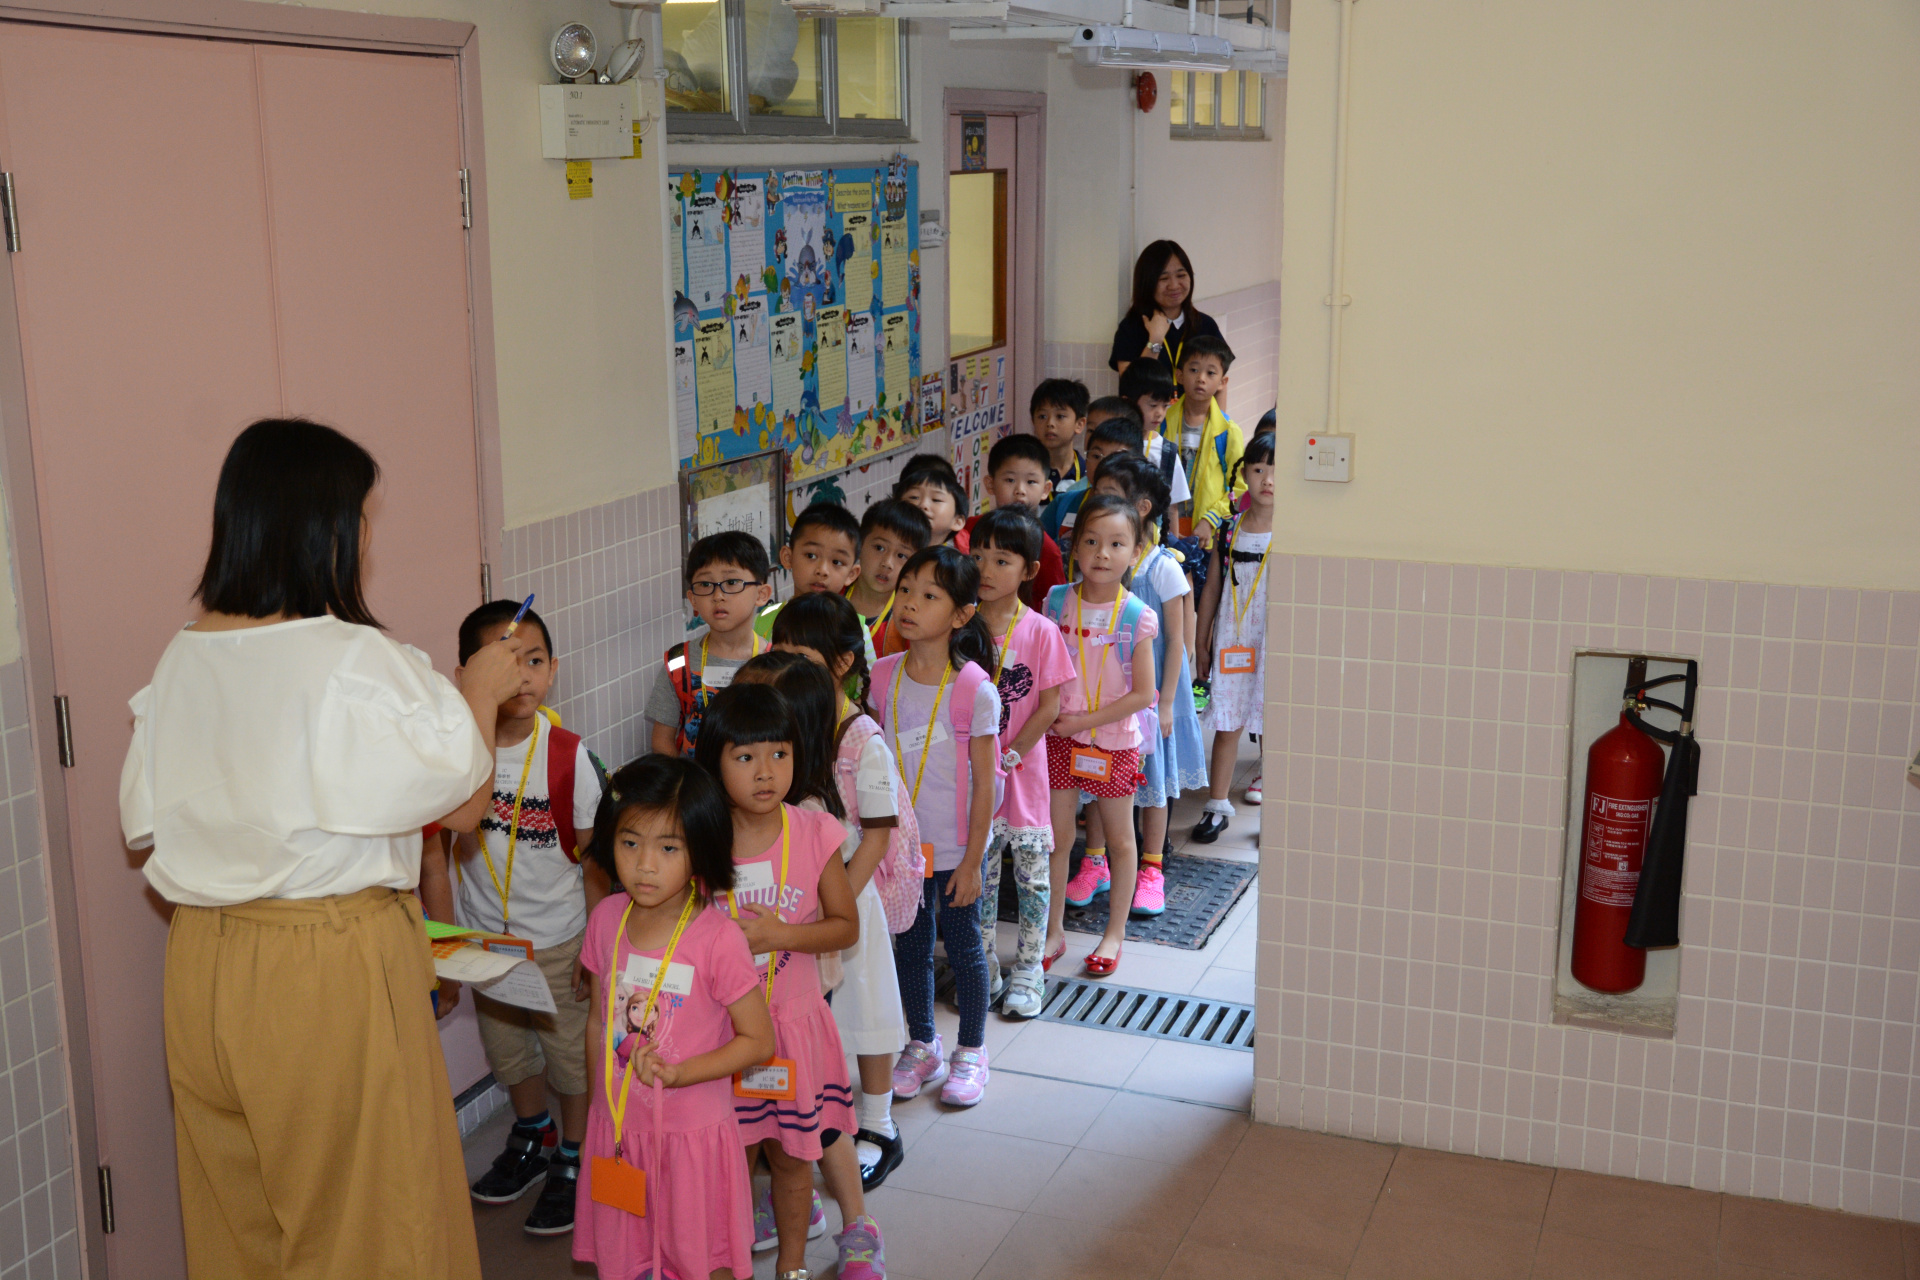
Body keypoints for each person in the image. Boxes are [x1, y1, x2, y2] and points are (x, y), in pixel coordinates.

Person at [121, 417, 522, 1277]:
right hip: (326, 965)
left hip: (203, 965)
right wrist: (481, 694)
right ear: (325, 529)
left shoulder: (182, 658)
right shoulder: (353, 658)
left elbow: (146, 819)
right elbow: (461, 807)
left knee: (239, 1227)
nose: (366, 538)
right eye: (361, 518)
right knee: (371, 1229)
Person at [431, 600, 609, 1235]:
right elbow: (435, 860)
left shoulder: (568, 755)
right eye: (505, 663)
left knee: (569, 1058)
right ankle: (533, 1134)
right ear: (467, 676)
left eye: (534, 661)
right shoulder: (453, 757)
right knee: (509, 1054)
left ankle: (575, 1151)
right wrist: (447, 954)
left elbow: (595, 865)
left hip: (560, 942)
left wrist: (597, 953)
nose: (522, 676)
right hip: (486, 943)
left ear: (553, 669)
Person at [693, 687, 879, 1280]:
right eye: (745, 757)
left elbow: (845, 926)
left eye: (779, 754)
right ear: (714, 761)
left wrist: (780, 935)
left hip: (794, 1030)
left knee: (796, 1160)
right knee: (729, 1164)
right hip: (721, 1034)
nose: (765, 772)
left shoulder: (814, 831)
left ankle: (792, 1268)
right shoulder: (699, 838)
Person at [573, 756, 774, 1280]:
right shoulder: (605, 920)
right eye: (629, 842)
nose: (645, 865)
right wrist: (598, 1110)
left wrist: (682, 1073)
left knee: (702, 1259)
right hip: (620, 1129)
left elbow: (759, 1041)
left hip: (691, 1139)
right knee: (626, 1257)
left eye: (668, 848)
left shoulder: (718, 939)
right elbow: (597, 1023)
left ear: (700, 850)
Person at [768, 594, 923, 1189]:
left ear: (840, 663)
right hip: (803, 902)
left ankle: (878, 1123)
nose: (787, 668)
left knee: (868, 1004)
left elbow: (879, 834)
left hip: (851, 896)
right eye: (780, 654)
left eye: (801, 657)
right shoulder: (789, 726)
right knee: (819, 1014)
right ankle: (813, 1118)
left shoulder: (863, 740)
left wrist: (837, 904)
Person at [875, 548, 1003, 1107]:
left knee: (965, 947)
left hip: (955, 847)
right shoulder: (883, 677)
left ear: (961, 614)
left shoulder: (974, 689)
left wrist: (973, 860)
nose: (909, 604)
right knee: (910, 945)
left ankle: (971, 1051)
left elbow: (986, 785)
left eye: (929, 596)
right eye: (905, 590)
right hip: (903, 848)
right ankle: (923, 1043)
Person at [1043, 496, 1159, 977]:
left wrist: (1082, 722)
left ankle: (1114, 935)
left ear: (1136, 552)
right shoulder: (1055, 601)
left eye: (1116, 543)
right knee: (1057, 837)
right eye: (1091, 541)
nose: (1102, 553)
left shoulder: (1136, 616)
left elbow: (1144, 694)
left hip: (1112, 740)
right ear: (1075, 547)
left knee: (1120, 839)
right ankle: (1052, 930)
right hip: (1060, 736)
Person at [1088, 457, 1209, 913]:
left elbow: (1176, 641)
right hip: (1108, 695)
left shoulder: (1161, 568)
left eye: (1108, 493)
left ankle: (1152, 868)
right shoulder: (1098, 563)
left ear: (1140, 508)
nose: (1096, 501)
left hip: (1153, 695)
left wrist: (1166, 704)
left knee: (1154, 779)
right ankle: (1095, 861)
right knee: (1099, 775)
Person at [968, 507, 1073, 1016]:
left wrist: (1009, 756)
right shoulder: (960, 627)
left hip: (1023, 773)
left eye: (1001, 560)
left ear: (1029, 570)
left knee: (1032, 876)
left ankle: (1029, 968)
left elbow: (1049, 707)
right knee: (981, 875)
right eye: (978, 557)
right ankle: (984, 964)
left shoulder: (1040, 631)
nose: (985, 570)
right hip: (974, 776)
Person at [1193, 432, 1276, 841]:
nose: (1267, 480)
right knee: (1227, 721)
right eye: (1258, 469)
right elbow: (1211, 588)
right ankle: (1217, 804)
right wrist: (1201, 642)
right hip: (1233, 640)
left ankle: (1275, 816)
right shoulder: (1229, 530)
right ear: (1244, 474)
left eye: (1276, 471)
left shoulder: (1297, 533)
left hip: (1275, 643)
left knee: (1275, 724)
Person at [649, 531, 774, 757]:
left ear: (761, 594)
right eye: (706, 584)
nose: (718, 595)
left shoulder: (776, 663)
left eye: (732, 582)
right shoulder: (679, 662)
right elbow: (661, 741)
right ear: (693, 599)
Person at [962, 434, 1067, 606]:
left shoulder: (1047, 550)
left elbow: (1055, 606)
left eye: (1031, 481)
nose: (1020, 490)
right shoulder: (969, 528)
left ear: (1045, 489)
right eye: (1010, 480)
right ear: (990, 484)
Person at [1169, 335, 1246, 546]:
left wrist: (1211, 520)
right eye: (1194, 370)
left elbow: (1239, 486)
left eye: (1210, 373)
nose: (1201, 378)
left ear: (1222, 382)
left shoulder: (1228, 431)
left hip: (1207, 535)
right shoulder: (1163, 423)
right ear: (1179, 375)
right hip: (1165, 530)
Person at [1109, 240, 1224, 379]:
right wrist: (1155, 340)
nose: (1174, 285)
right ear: (1147, 283)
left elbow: (1219, 381)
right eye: (1163, 278)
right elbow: (1132, 384)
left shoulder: (1205, 324)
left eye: (1181, 275)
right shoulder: (1131, 328)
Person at [846, 498, 930, 658]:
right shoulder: (833, 593)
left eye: (901, 555)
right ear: (859, 545)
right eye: (879, 547)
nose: (887, 563)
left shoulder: (910, 618)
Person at [892, 454, 969, 550]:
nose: (923, 505)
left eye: (936, 499)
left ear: (957, 521)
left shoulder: (963, 551)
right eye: (914, 497)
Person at [1026, 377, 1090, 492]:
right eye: (1042, 416)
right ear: (1033, 422)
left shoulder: (1089, 475)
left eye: (1060, 416)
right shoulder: (1025, 473)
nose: (1050, 423)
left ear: (1079, 424)